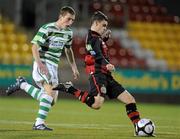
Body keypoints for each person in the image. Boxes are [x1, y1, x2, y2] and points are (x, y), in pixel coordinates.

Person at [53, 11, 145, 136]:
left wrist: (104, 39)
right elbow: (97, 54)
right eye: (104, 25)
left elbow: (98, 48)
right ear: (96, 23)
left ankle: (139, 128)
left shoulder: (96, 38)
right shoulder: (92, 38)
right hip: (97, 75)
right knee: (97, 104)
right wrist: (106, 63)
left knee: (130, 100)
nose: (105, 28)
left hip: (107, 75)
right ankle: (70, 89)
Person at [6, 6, 79, 131]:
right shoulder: (47, 28)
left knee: (52, 101)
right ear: (61, 17)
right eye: (68, 19)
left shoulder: (68, 33)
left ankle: (23, 85)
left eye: (73, 20)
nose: (70, 22)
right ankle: (39, 123)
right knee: (49, 92)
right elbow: (34, 46)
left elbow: (68, 49)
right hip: (43, 62)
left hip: (54, 66)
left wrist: (74, 67)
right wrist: (40, 64)